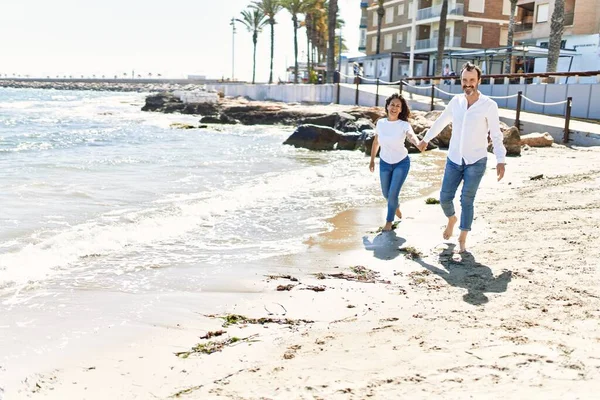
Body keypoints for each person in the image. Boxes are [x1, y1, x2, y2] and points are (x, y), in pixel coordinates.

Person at [416, 62, 506, 253]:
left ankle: (462, 239)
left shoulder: (489, 105)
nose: (468, 84)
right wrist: (425, 139)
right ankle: (451, 219)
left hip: (476, 161)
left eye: (472, 80)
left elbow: (496, 135)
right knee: (444, 198)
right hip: (454, 159)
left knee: (467, 199)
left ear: (479, 81)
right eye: (465, 80)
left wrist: (500, 159)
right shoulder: (455, 102)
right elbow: (441, 122)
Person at [370, 93, 420, 232]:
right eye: (392, 104)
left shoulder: (404, 124)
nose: (394, 108)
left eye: (398, 106)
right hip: (385, 163)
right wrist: (372, 160)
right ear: (387, 106)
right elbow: (376, 142)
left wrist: (418, 144)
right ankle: (395, 205)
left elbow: (411, 136)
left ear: (401, 109)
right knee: (386, 194)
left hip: (401, 163)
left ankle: (388, 222)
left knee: (392, 194)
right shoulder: (380, 123)